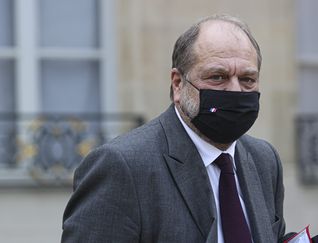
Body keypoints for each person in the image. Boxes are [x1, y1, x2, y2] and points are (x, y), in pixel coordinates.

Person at [62, 14, 286, 243]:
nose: (236, 91)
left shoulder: (264, 160)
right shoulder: (122, 165)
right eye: (218, 77)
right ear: (178, 84)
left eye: (248, 79)